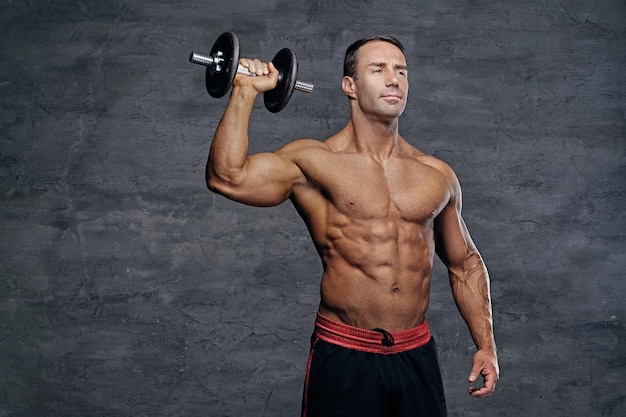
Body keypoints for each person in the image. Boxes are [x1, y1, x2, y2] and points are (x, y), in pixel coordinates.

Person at [205, 35, 499, 417]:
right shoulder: (314, 160)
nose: (393, 79)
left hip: (415, 354)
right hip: (345, 353)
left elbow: (464, 264)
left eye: (401, 71)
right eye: (378, 70)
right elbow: (226, 177)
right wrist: (244, 90)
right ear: (350, 86)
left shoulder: (436, 174)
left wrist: (486, 345)